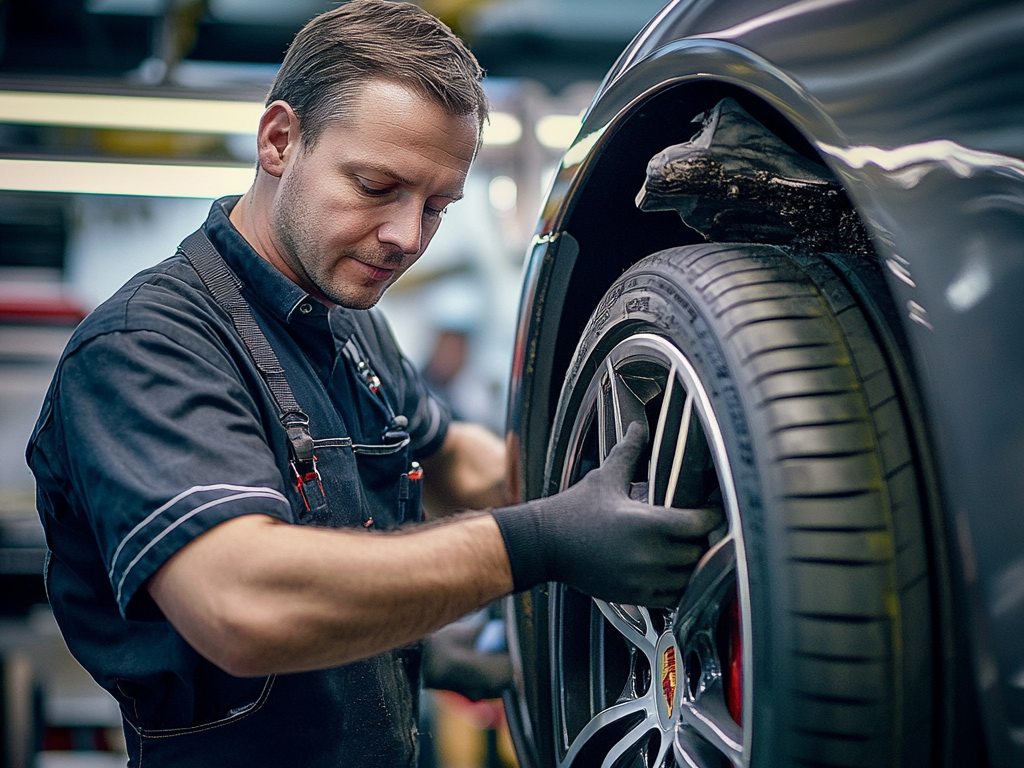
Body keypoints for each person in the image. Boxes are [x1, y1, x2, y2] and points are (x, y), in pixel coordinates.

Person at [26, 2, 719, 766]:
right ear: (280, 141)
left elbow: (462, 467)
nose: (407, 237)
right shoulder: (148, 347)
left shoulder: (348, 328)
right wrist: (542, 542)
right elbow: (241, 602)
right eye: (376, 185)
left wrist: (651, 480)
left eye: (436, 206)